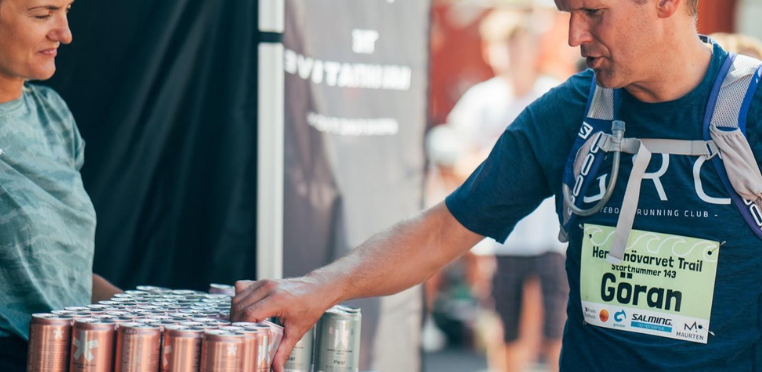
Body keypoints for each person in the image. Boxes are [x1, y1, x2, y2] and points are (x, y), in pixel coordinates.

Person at [233, 1, 762, 371]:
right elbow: (441, 231)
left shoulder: (753, 109)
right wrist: (319, 287)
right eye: (568, 12)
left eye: (594, 12)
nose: (574, 35)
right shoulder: (567, 114)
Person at [0, 0, 122, 370]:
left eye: (67, 10)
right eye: (42, 14)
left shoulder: (52, 115)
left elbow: (59, 274)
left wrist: (153, 312)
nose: (65, 34)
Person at [446, 9, 567, 372]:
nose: (515, 56)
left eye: (521, 46)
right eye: (507, 47)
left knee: (558, 331)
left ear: (534, 48)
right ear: (491, 51)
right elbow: (456, 157)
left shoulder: (554, 94)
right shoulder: (481, 101)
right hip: (499, 240)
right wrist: (494, 165)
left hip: (552, 239)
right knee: (504, 331)